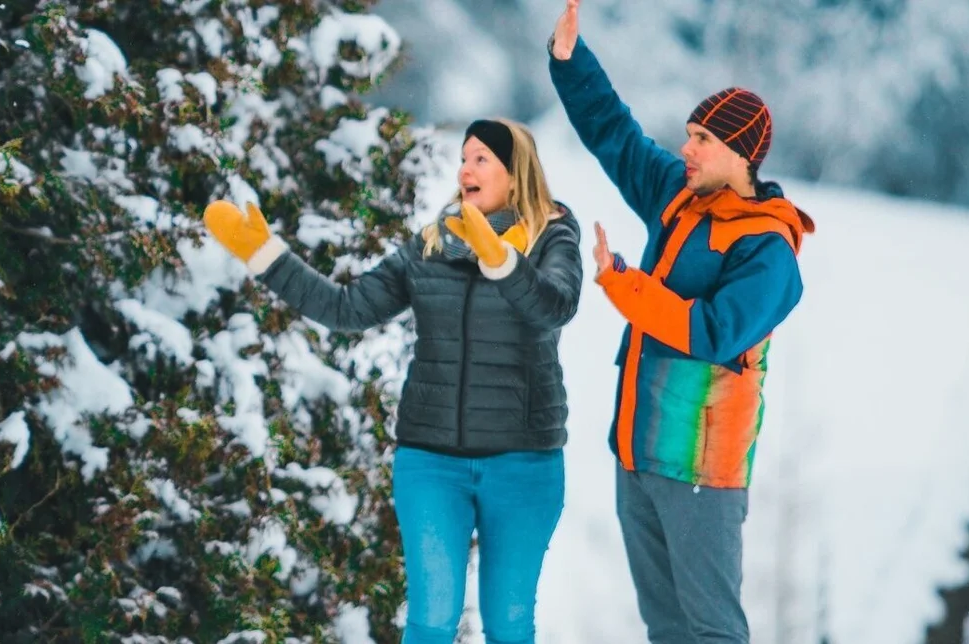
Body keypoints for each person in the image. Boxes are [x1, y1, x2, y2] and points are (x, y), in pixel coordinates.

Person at [201, 119, 583, 644]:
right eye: (464, 157)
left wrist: (501, 262)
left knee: (509, 625)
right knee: (430, 622)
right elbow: (347, 307)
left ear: (515, 175)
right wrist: (268, 257)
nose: (465, 168)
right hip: (431, 460)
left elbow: (555, 306)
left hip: (524, 463)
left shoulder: (553, 238)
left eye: (481, 159)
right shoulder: (430, 246)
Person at [547, 1, 815, 642]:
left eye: (703, 140)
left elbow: (713, 333)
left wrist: (624, 284)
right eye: (689, 134)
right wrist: (569, 61)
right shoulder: (679, 195)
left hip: (701, 471)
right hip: (637, 456)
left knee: (713, 630)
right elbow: (617, 135)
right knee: (665, 629)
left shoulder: (768, 251)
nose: (686, 148)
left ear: (742, 156)